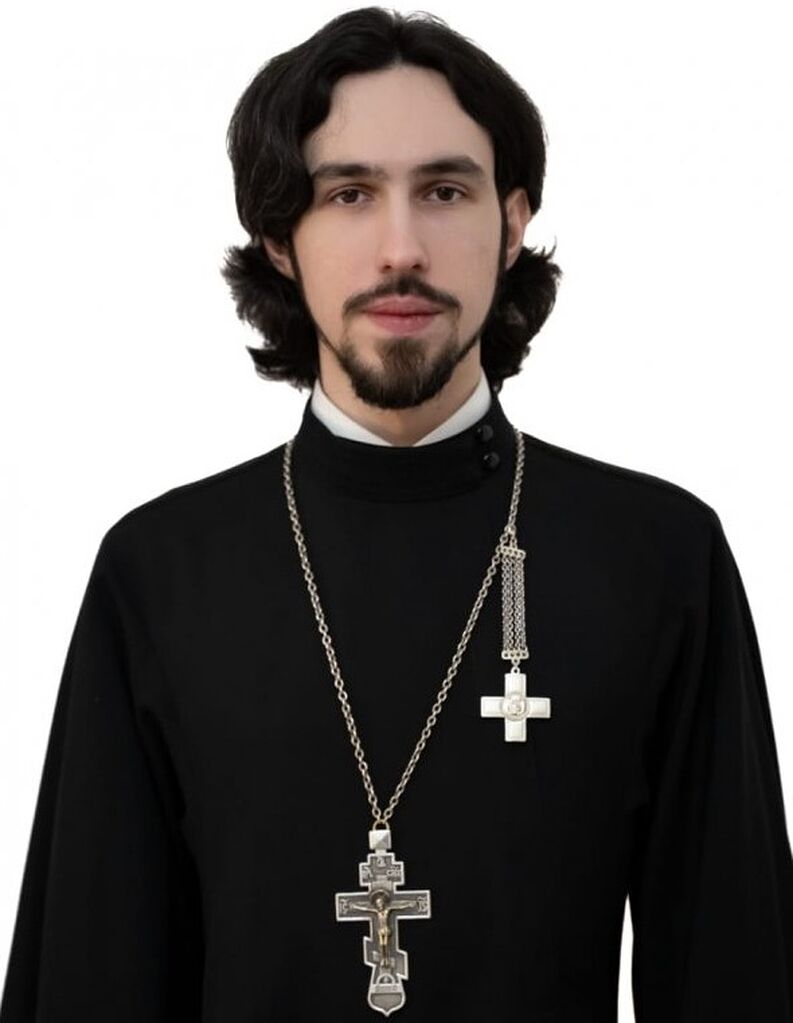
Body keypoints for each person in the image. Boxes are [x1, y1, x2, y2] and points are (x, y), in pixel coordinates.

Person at [2, 7, 792, 1021]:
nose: (401, 248)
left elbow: (736, 976)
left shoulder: (657, 558)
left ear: (511, 223)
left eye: (444, 190)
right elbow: (89, 982)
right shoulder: (158, 572)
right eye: (349, 194)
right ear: (279, 239)